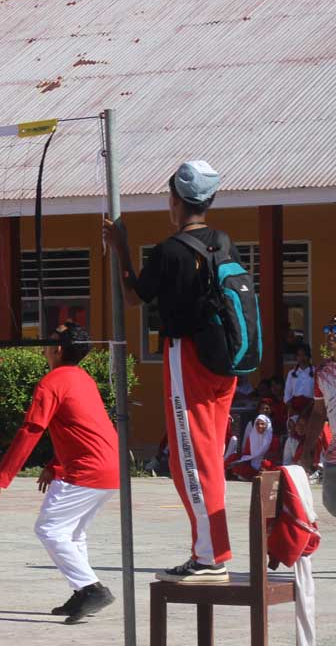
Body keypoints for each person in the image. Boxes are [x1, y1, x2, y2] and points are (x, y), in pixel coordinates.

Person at [103, 159, 235, 583]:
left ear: (175, 199)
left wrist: (122, 248)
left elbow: (132, 298)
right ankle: (210, 548)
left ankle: (210, 555)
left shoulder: (169, 250)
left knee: (191, 459)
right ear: (209, 201)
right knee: (207, 454)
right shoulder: (223, 241)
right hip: (226, 360)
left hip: (189, 357)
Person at [0, 321, 118, 625]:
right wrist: (54, 466)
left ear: (57, 349)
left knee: (49, 529)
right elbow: (78, 427)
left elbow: (31, 430)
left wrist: (2, 476)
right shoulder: (81, 378)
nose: (45, 344)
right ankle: (81, 593)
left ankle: (92, 589)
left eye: (50, 340)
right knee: (73, 533)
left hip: (88, 468)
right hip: (109, 466)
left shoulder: (53, 381)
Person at [302, 317, 336, 514]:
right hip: (334, 452)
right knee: (332, 504)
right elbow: (318, 412)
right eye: (328, 329)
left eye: (335, 329)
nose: (330, 334)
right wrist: (307, 449)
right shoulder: (322, 372)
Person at [224, 415, 278, 480]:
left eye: (262, 424)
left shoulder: (273, 438)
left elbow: (274, 454)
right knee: (235, 459)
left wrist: (264, 459)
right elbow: (247, 453)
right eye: (257, 424)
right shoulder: (251, 437)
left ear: (267, 425)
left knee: (266, 464)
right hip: (252, 461)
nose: (259, 426)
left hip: (265, 461)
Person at [285, 345, 314, 413]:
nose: (302, 358)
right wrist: (291, 408)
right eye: (299, 355)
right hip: (294, 407)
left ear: (308, 356)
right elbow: (287, 393)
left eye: (304, 355)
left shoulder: (315, 372)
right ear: (296, 357)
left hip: (311, 406)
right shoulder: (291, 373)